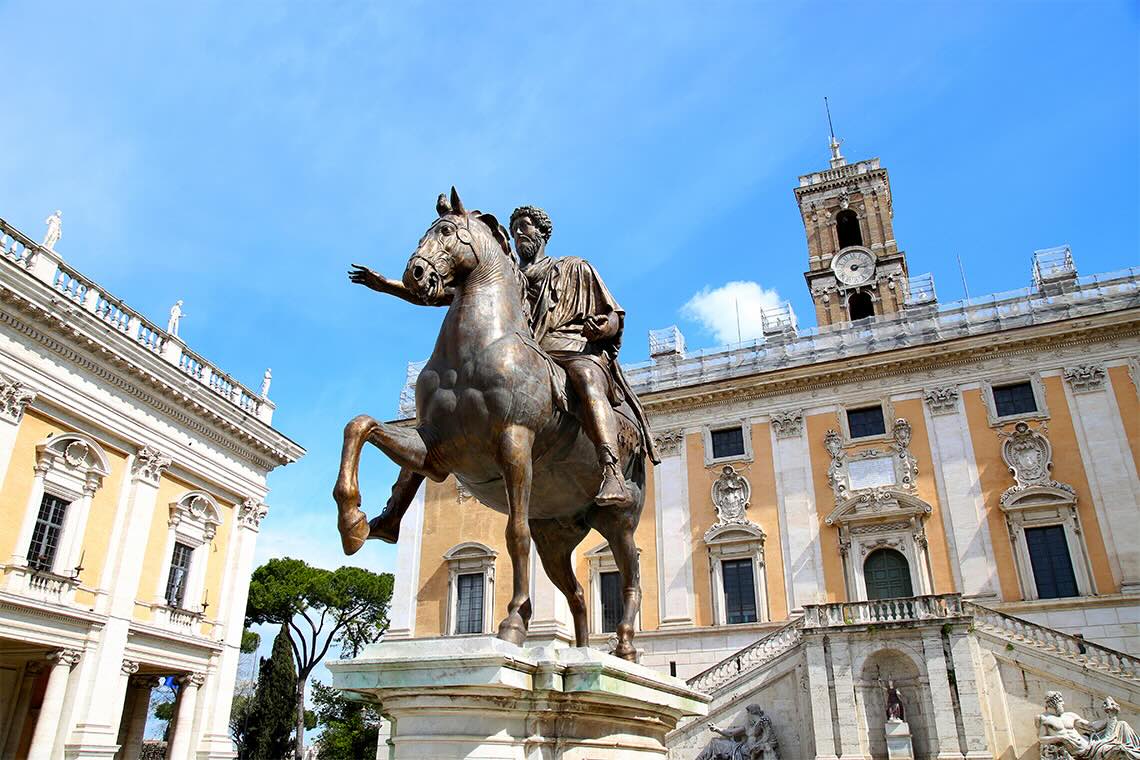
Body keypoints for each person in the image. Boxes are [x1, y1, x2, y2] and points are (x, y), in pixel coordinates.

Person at [509, 205, 658, 506]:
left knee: (586, 378)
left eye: (524, 226)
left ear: (541, 232)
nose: (518, 234)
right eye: (514, 231)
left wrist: (603, 327)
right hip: (527, 351)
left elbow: (612, 314)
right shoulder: (509, 278)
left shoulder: (576, 267)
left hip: (572, 347)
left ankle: (611, 469)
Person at [697, 704, 779, 760]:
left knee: (716, 744)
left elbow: (770, 738)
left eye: (748, 714)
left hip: (746, 753)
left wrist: (758, 747)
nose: (748, 717)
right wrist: (716, 729)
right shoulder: (748, 726)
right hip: (739, 748)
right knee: (715, 742)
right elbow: (730, 733)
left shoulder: (763, 721)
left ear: (751, 713)